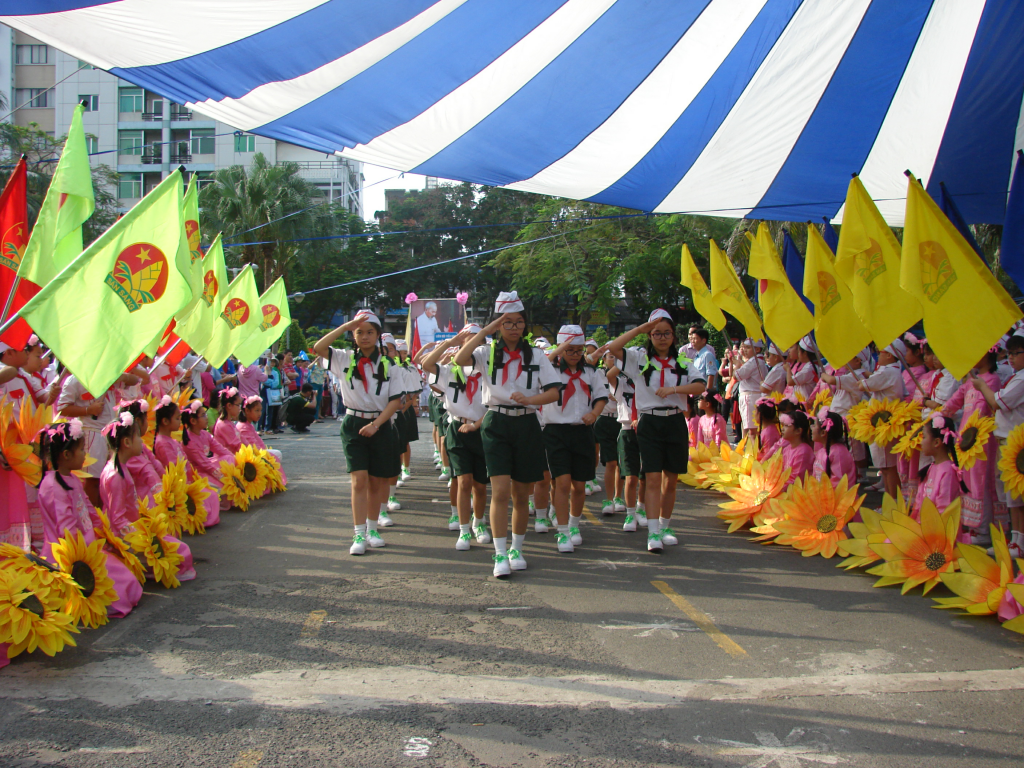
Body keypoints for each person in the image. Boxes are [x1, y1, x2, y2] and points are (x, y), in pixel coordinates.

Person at [452, 291, 561, 577]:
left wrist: (530, 400)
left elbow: (553, 391)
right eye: (507, 322)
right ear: (498, 325)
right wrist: (486, 330)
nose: (513, 328)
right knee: (500, 491)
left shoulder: (536, 354)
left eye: (518, 322)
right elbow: (460, 359)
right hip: (496, 422)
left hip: (527, 424)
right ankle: (500, 554)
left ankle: (516, 549)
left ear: (526, 325)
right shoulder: (485, 352)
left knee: (521, 493)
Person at [604, 309, 707, 552]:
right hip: (649, 421)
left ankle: (664, 525)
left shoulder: (681, 362)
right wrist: (641, 328)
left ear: (674, 336)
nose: (661, 338)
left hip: (674, 421)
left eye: (666, 333)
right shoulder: (639, 359)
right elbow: (613, 346)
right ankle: (652, 532)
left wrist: (674, 391)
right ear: (650, 336)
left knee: (670, 480)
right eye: (656, 333)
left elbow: (700, 385)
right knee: (651, 478)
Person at [313, 311, 404, 555]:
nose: (364, 337)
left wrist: (376, 424)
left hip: (380, 425)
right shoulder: (342, 358)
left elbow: (395, 401)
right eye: (359, 332)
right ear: (353, 335)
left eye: (370, 332)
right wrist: (345, 326)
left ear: (378, 336)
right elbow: (318, 347)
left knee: (376, 481)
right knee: (359, 480)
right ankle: (358, 534)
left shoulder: (389, 365)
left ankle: (372, 528)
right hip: (353, 423)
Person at [37, 420, 143, 618]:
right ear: (66, 455)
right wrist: (91, 549)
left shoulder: (72, 479)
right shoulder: (52, 486)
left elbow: (89, 511)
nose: (85, 454)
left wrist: (104, 535)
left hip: (88, 548)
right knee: (120, 585)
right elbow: (67, 533)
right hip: (71, 557)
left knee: (126, 577)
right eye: (81, 450)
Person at [99, 411, 196, 582]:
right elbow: (118, 519)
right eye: (138, 437)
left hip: (135, 527)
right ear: (127, 442)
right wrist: (145, 538)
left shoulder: (120, 468)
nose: (142, 442)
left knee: (180, 548)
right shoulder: (115, 475)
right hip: (126, 536)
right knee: (181, 552)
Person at [423, 326, 492, 549]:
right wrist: (450, 341)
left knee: (480, 486)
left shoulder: (490, 372)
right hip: (457, 429)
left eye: (478, 341)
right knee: (463, 481)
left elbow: (496, 404)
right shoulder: (449, 371)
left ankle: (478, 523)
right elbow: (426, 364)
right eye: (469, 341)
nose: (474, 345)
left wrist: (477, 425)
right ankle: (463, 530)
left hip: (483, 431)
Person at [541, 325, 609, 553]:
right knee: (562, 483)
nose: (575, 355)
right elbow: (546, 360)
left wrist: (594, 414)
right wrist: (560, 348)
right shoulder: (550, 370)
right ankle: (562, 533)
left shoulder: (591, 372)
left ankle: (573, 525)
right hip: (555, 432)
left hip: (582, 432)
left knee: (579, 486)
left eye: (579, 350)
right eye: (570, 350)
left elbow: (601, 397)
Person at [968, 332, 1024, 558]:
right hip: (1008, 442)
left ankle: (1018, 540)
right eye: (1009, 353)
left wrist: (982, 386)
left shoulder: (1020, 379)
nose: (1010, 358)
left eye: (1016, 354)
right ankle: (1016, 539)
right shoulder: (1015, 376)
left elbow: (997, 402)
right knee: (1011, 495)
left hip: (1015, 442)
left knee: (1015, 495)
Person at [858, 340, 907, 499]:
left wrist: (863, 379)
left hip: (884, 422)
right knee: (885, 466)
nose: (879, 355)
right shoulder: (891, 371)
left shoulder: (888, 371)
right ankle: (890, 502)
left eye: (882, 353)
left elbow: (865, 385)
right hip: (881, 421)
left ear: (891, 356)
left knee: (888, 467)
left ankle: (893, 502)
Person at [604, 352, 647, 532]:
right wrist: (624, 363)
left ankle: (641, 507)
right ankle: (630, 513)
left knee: (645, 475)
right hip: (628, 430)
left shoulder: (647, 382)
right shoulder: (621, 383)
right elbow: (609, 375)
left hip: (646, 430)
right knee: (630, 476)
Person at [912, 414, 968, 522]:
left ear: (937, 442)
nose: (921, 442)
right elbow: (918, 503)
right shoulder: (930, 468)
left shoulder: (948, 471)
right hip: (923, 528)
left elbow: (945, 510)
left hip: (939, 533)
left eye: (924, 437)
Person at [180, 399, 231, 515]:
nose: (206, 417)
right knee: (225, 490)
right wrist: (224, 478)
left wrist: (236, 460)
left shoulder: (205, 434)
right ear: (193, 420)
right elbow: (204, 465)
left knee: (228, 459)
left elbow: (221, 450)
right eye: (203, 415)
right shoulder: (189, 441)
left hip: (208, 468)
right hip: (197, 474)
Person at [238, 395, 287, 486]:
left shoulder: (249, 424)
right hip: (250, 457)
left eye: (260, 410)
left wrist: (264, 451)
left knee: (276, 454)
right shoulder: (243, 427)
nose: (260, 414)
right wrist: (264, 454)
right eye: (257, 410)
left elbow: (259, 441)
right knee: (276, 454)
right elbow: (253, 447)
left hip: (257, 452)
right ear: (247, 411)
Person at [730, 339, 767, 441]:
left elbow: (737, 375)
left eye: (748, 348)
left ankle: (751, 453)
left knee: (752, 430)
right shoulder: (757, 361)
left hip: (750, 397)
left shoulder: (754, 361)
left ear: (757, 349)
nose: (745, 350)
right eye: (744, 347)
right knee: (748, 427)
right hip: (752, 395)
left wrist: (737, 365)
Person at [811, 409, 855, 486]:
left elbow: (838, 482)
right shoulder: (821, 451)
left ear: (823, 433)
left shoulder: (838, 452)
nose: (811, 428)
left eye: (814, 425)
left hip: (836, 496)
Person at [779, 410, 814, 489]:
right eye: (783, 426)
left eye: (786, 426)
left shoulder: (804, 451)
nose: (782, 429)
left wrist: (777, 489)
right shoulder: (786, 449)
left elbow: (796, 480)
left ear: (798, 431)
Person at [784, 337, 819, 402]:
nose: (798, 354)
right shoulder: (808, 366)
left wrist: (788, 369)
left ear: (805, 353)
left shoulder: (809, 368)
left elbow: (790, 382)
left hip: (804, 403)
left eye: (799, 351)